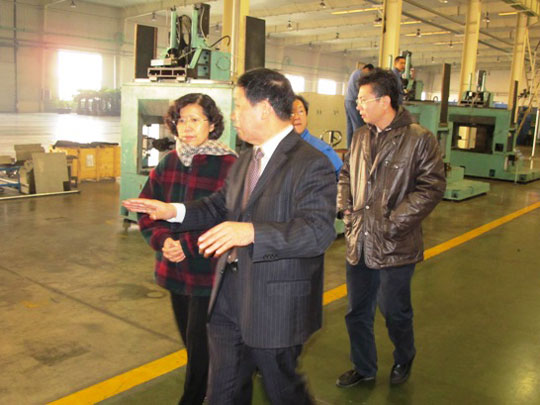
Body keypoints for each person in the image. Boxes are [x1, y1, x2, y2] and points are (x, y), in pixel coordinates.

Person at [123, 68, 337, 404]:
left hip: (273, 301)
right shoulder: (247, 159)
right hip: (227, 295)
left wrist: (251, 232)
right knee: (222, 391)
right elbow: (217, 206)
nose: (234, 115)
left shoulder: (310, 163)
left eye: (239, 106)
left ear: (263, 109)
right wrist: (172, 211)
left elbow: (318, 231)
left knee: (283, 390)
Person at [336, 68, 445, 387]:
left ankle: (404, 356)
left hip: (394, 243)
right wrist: (345, 207)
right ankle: (364, 367)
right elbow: (346, 174)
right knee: (357, 311)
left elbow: (431, 187)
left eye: (363, 100)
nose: (357, 106)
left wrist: (393, 223)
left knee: (394, 310)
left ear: (384, 101)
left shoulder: (419, 139)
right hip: (359, 240)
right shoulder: (360, 136)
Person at [137, 93, 237, 405]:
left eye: (195, 120)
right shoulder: (168, 163)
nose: (187, 127)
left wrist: (187, 246)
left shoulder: (229, 165)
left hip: (210, 273)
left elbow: (230, 218)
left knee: (200, 344)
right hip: (175, 271)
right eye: (182, 120)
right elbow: (147, 209)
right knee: (192, 343)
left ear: (212, 124)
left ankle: (195, 398)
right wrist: (163, 241)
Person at [291, 94, 343, 180]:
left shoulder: (322, 149)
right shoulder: (278, 149)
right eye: (291, 113)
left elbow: (343, 176)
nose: (297, 117)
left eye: (301, 111)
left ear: (306, 115)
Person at [345, 63, 374, 147]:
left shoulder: (354, 73)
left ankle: (350, 148)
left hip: (347, 100)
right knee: (358, 127)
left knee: (350, 127)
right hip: (354, 102)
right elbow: (362, 89)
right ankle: (358, 148)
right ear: (366, 69)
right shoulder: (360, 74)